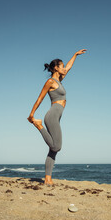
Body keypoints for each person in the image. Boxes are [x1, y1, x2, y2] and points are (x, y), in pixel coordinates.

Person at [27, 49, 87, 185]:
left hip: (57, 115)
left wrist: (75, 55)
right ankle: (39, 125)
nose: (64, 68)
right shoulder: (50, 82)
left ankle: (47, 178)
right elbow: (39, 99)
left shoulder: (60, 80)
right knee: (57, 147)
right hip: (52, 115)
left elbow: (69, 68)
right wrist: (32, 115)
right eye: (62, 66)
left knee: (52, 150)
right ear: (56, 68)